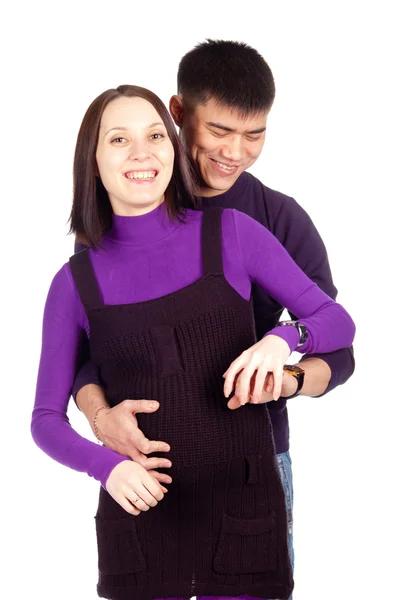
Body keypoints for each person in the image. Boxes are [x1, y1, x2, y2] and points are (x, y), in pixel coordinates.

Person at [31, 84, 355, 600]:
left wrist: (282, 338)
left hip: (244, 508)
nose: (141, 152)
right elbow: (45, 419)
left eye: (155, 135)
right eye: (119, 139)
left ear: (172, 147)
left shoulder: (234, 232)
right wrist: (105, 464)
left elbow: (335, 321)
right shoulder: (74, 282)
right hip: (139, 513)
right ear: (92, 163)